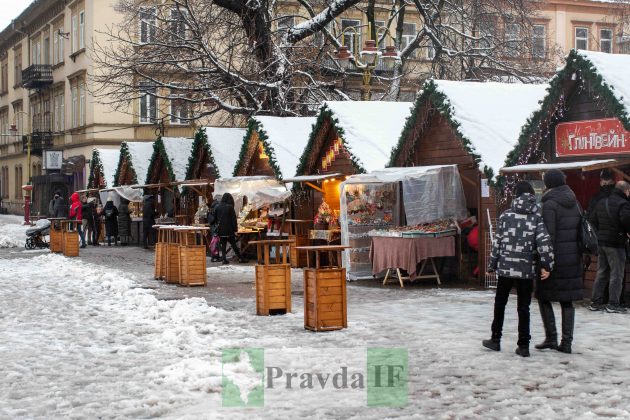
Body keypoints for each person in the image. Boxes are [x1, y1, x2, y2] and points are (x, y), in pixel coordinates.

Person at [483, 181, 554, 358]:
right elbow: (544, 243)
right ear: (531, 196)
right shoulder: (536, 217)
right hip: (526, 269)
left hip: (505, 268)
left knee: (500, 304)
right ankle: (523, 346)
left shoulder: (506, 216)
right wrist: (547, 265)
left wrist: (492, 265)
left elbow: (497, 243)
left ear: (516, 196)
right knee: (524, 307)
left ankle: (495, 339)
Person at [536, 169, 583, 354]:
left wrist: (546, 263)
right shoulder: (575, 201)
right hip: (573, 258)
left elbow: (549, 236)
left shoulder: (550, 204)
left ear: (549, 183)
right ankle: (567, 343)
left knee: (543, 297)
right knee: (567, 301)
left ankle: (551, 337)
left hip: (556, 260)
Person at [588, 181, 630, 313]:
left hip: (602, 243)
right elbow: (626, 220)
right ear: (626, 191)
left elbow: (592, 220)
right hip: (616, 244)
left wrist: (600, 234)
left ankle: (595, 302)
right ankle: (613, 304)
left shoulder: (602, 202)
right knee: (616, 274)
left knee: (601, 273)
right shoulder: (624, 204)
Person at [214, 193, 246, 264]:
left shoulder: (217, 206)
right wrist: (235, 230)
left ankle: (224, 259)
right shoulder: (230, 207)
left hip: (221, 230)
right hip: (229, 230)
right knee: (233, 244)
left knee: (223, 244)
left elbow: (215, 219)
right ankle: (241, 258)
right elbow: (233, 220)